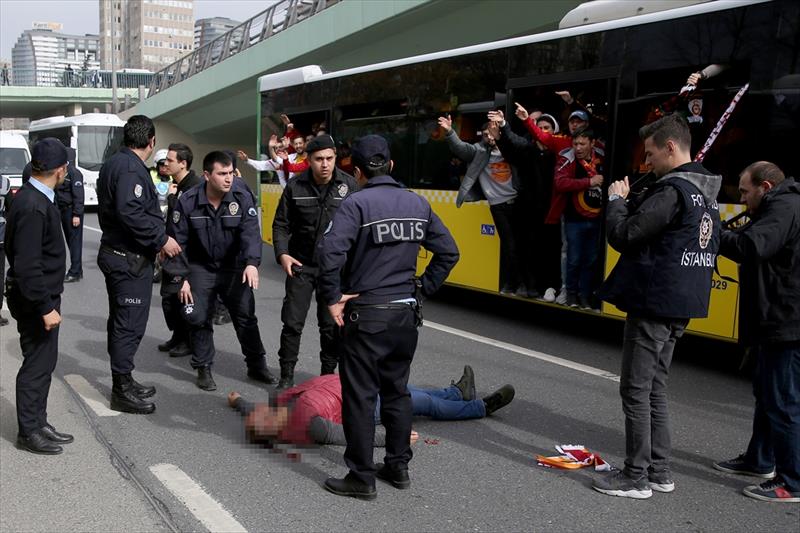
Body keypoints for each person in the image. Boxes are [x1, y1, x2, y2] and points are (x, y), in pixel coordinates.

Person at [318, 134, 459, 500]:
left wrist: (333, 300)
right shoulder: (417, 203)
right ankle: (398, 466)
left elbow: (330, 255)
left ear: (357, 170)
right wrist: (422, 288)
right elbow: (449, 252)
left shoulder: (355, 205)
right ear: (392, 165)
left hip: (367, 316)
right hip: (405, 316)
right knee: (397, 392)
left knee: (361, 397)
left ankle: (361, 477)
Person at [592, 113, 721, 499]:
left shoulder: (672, 190)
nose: (646, 163)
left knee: (635, 389)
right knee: (655, 388)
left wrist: (616, 201)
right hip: (683, 300)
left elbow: (627, 235)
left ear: (670, 147)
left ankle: (635, 476)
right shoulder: (706, 192)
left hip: (655, 300)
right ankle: (660, 471)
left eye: (650, 154)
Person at [713, 162, 800, 503]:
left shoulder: (784, 206)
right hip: (775, 318)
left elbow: (754, 247)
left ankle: (792, 481)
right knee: (767, 394)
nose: (743, 198)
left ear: (765, 187)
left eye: (746, 192)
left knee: (782, 401)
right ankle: (759, 460)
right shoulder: (780, 204)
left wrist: (717, 236)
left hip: (786, 320)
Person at [168, 151, 276, 391]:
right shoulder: (188, 201)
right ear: (207, 175)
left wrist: (251, 263)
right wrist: (181, 278)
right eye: (222, 174)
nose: (229, 179)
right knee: (198, 317)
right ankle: (203, 367)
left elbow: (250, 232)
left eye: (230, 173)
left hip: (234, 266)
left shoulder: (241, 195)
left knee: (245, 316)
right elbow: (178, 243)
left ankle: (257, 366)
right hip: (200, 266)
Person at [97, 115, 181, 414]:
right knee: (128, 325)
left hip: (122, 256)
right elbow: (130, 212)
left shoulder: (114, 163)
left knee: (122, 322)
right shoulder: (130, 168)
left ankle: (125, 379)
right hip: (127, 260)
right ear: (151, 141)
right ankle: (121, 390)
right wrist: (161, 239)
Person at [228, 366, 514, 447]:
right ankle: (480, 407)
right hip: (365, 405)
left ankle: (457, 392)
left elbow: (250, 411)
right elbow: (352, 436)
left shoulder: (279, 407)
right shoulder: (310, 425)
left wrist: (237, 400)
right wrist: (394, 437)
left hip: (360, 384)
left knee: (412, 392)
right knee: (424, 404)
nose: (265, 412)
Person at [4, 138, 74, 454]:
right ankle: (28, 431)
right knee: (36, 365)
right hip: (35, 298)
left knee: (45, 363)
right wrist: (46, 307)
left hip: (40, 295)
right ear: (60, 170)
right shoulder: (33, 204)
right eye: (66, 166)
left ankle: (39, 421)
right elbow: (27, 265)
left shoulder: (36, 197)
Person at [272, 135, 358, 389]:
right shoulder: (295, 186)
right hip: (301, 265)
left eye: (330, 158)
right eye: (319, 159)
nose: (325, 164)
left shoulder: (350, 186)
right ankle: (286, 375)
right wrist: (282, 254)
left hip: (335, 269)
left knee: (330, 326)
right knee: (292, 323)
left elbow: (359, 229)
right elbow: (281, 225)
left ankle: (326, 377)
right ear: (308, 160)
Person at [439, 114, 522, 294]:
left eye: (492, 133)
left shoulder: (508, 149)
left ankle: (526, 284)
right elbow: (460, 148)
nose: (489, 137)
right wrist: (450, 132)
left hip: (518, 202)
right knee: (509, 246)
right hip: (497, 205)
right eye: (485, 134)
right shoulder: (479, 151)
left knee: (522, 244)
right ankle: (513, 283)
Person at [489, 110, 561, 301]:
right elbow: (511, 150)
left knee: (548, 251)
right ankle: (529, 286)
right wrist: (501, 134)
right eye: (541, 127)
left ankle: (550, 287)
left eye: (548, 128)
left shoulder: (560, 155)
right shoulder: (528, 150)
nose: (543, 130)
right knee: (527, 250)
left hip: (552, 212)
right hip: (527, 211)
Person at [157, 143, 202, 359]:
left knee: (183, 299)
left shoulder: (194, 187)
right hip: (171, 252)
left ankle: (188, 340)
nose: (166, 163)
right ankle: (177, 335)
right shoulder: (177, 185)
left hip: (187, 256)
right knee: (169, 298)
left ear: (183, 164)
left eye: (170, 160)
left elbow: (192, 228)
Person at [552, 129, 605, 309]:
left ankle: (585, 296)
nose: (578, 148)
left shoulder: (602, 157)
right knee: (574, 259)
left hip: (597, 218)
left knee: (590, 259)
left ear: (592, 143)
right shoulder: (567, 159)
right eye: (575, 144)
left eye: (582, 144)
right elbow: (560, 183)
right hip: (574, 219)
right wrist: (588, 182)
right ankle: (571, 295)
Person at [56, 147, 84, 283]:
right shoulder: (63, 172)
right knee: (70, 242)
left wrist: (76, 214)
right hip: (63, 210)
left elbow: (78, 196)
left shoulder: (74, 173)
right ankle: (78, 269)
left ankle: (74, 272)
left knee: (74, 243)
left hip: (71, 211)